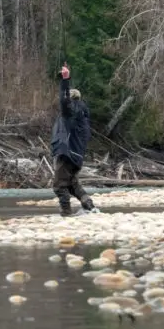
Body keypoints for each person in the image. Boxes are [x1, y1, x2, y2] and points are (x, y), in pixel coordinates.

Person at [50, 62, 98, 216]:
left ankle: (66, 213)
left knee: (59, 186)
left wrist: (65, 79)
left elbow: (64, 102)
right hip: (76, 156)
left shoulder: (72, 112)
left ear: (72, 99)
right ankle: (89, 206)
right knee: (72, 184)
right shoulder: (82, 116)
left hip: (67, 154)